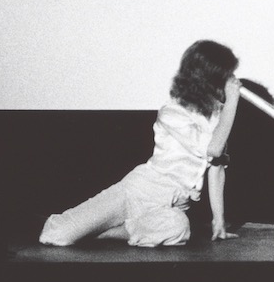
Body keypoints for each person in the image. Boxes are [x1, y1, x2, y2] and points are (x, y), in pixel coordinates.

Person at [39, 40, 242, 247]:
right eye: (227, 74)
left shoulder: (219, 117)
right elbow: (213, 148)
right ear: (208, 77)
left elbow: (216, 168)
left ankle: (101, 233)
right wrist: (233, 101)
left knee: (179, 228)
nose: (231, 81)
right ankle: (83, 227)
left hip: (171, 205)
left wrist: (219, 221)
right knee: (57, 234)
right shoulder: (173, 112)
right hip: (140, 190)